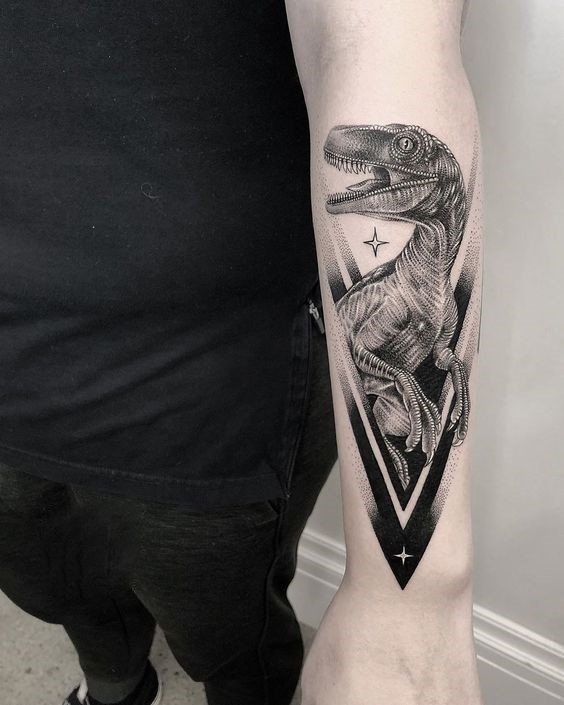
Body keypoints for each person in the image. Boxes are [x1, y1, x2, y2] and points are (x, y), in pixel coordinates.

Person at [0, 1, 483, 705]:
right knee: (61, 583)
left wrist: (415, 593)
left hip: (211, 387)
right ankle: (113, 687)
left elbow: (378, 42)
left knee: (232, 632)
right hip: (15, 381)